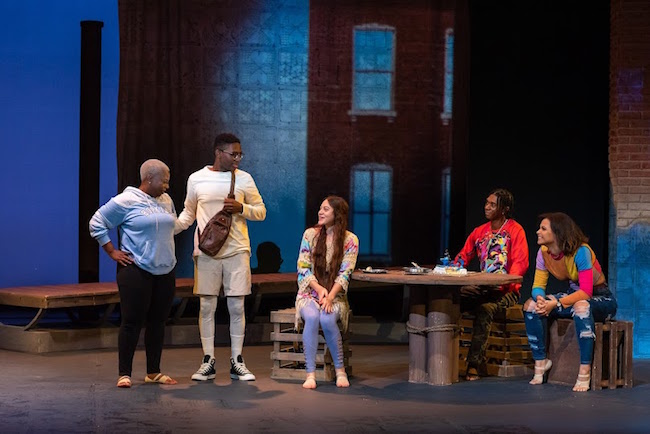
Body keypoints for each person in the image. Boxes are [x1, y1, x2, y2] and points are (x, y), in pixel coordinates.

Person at [175, 133, 266, 382]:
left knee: (236, 305)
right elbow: (188, 214)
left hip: (237, 250)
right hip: (207, 251)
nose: (237, 158)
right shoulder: (197, 179)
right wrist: (165, 229)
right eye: (233, 154)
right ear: (218, 153)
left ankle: (237, 360)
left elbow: (261, 212)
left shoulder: (244, 179)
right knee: (207, 305)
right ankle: (208, 360)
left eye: (240, 154)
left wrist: (242, 209)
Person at [89, 159, 179, 388]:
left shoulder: (166, 200)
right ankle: (124, 373)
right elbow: (97, 222)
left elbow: (172, 227)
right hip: (136, 269)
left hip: (165, 269)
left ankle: (153, 372)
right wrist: (112, 251)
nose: (167, 186)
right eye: (164, 181)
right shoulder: (126, 200)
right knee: (132, 321)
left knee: (158, 322)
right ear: (149, 179)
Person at [523, 212, 617, 392]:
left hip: (600, 298)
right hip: (572, 296)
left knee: (581, 307)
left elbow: (586, 292)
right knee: (531, 306)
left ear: (557, 233)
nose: (538, 232)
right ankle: (541, 361)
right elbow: (537, 286)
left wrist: (557, 304)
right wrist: (541, 299)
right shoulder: (543, 253)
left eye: (543, 229)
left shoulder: (581, 251)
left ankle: (584, 370)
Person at [453, 188, 529, 381]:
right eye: (487, 202)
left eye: (492, 204)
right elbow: (463, 256)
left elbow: (520, 263)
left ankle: (473, 365)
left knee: (485, 309)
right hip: (483, 288)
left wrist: (504, 284)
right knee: (451, 302)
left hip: (506, 291)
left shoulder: (515, 230)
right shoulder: (480, 232)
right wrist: (454, 271)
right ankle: (450, 357)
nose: (487, 207)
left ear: (504, 209)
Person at [295, 195, 359, 389]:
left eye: (325, 209)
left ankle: (340, 371)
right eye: (320, 208)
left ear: (337, 214)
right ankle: (310, 373)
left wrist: (330, 296)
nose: (320, 212)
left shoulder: (350, 240)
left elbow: (345, 273)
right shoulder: (310, 235)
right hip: (309, 292)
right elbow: (303, 267)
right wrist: (320, 289)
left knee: (328, 318)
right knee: (313, 317)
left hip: (335, 295)